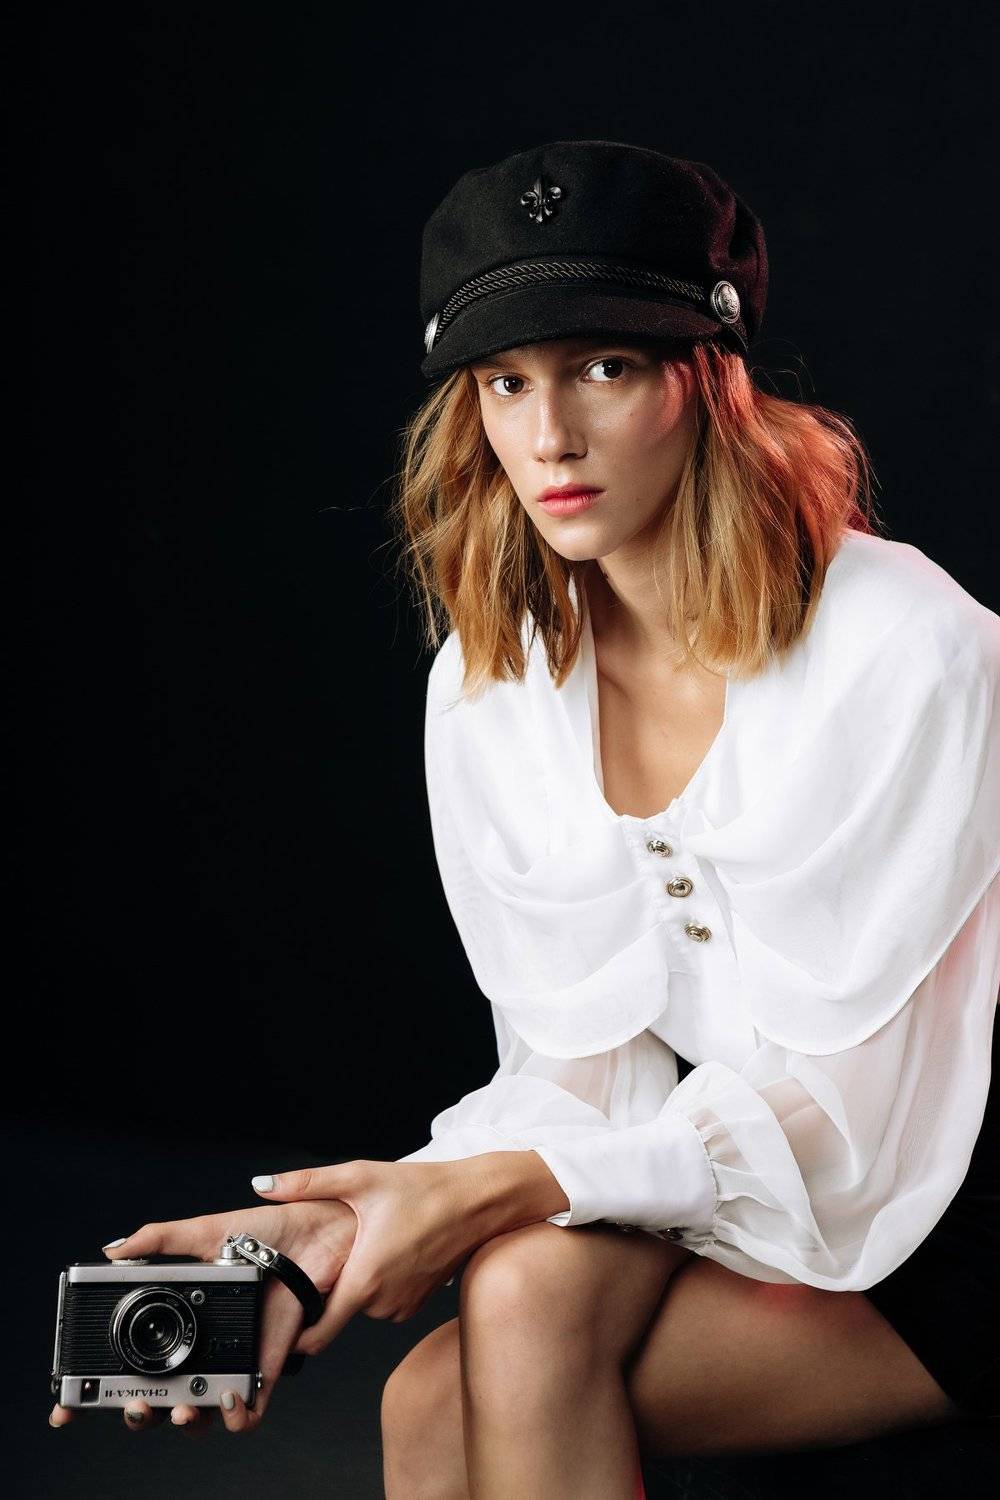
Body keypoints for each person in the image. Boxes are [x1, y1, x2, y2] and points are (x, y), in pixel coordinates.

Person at [49, 141, 1000, 1500]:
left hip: (951, 1201)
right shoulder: (496, 682)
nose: (549, 435)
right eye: (505, 381)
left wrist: (493, 1192)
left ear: (710, 376)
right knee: (472, 1347)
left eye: (604, 367)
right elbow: (582, 1064)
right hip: (733, 1171)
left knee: (484, 1337)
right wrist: (330, 1229)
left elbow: (864, 1129)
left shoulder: (909, 649)